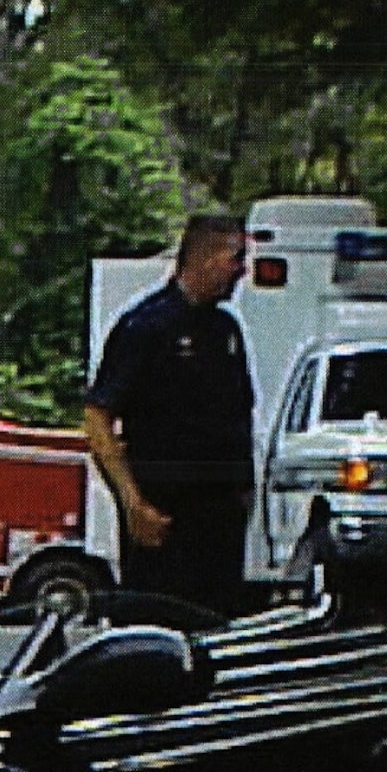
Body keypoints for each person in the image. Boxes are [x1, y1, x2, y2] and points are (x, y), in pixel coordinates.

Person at [82, 213, 253, 616]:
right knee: (156, 627)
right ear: (204, 257)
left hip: (220, 519)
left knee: (213, 628)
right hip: (163, 515)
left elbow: (239, 414)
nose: (242, 271)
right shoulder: (146, 327)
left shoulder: (226, 331)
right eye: (235, 257)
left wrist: (244, 493)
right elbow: (98, 418)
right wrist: (132, 503)